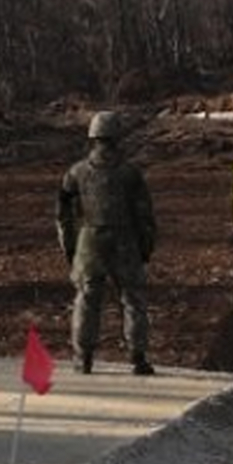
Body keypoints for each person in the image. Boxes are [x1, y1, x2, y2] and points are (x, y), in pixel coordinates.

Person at [55, 109, 158, 376]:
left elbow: (63, 212)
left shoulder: (76, 172)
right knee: (133, 298)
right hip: (124, 241)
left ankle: (83, 358)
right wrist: (146, 246)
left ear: (93, 137)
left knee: (87, 299)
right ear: (118, 137)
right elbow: (144, 214)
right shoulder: (130, 174)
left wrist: (69, 246)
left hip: (89, 241)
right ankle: (138, 358)